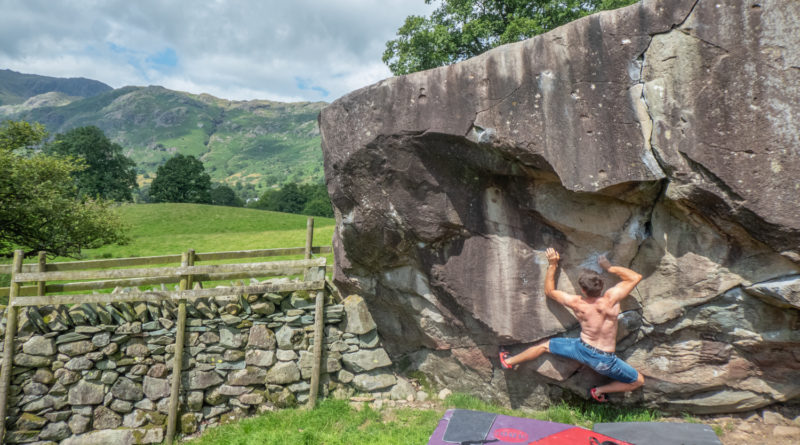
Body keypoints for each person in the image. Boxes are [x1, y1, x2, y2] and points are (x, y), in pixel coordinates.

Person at [498, 248, 645, 402]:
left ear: (582, 290)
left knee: (544, 346)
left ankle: (508, 361)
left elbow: (550, 291)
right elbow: (635, 277)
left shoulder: (577, 303)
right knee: (638, 381)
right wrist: (609, 267)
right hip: (603, 360)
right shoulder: (611, 299)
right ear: (602, 286)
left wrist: (553, 264)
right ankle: (599, 391)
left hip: (581, 348)